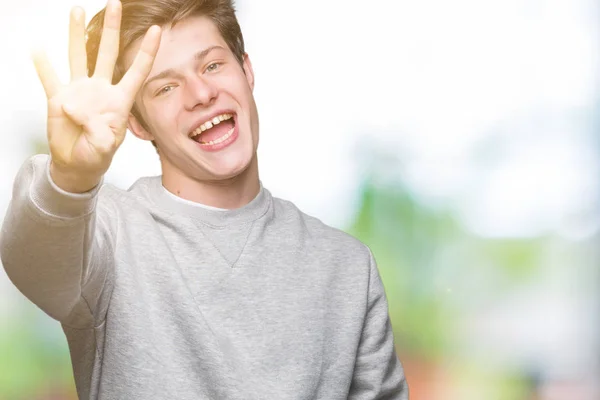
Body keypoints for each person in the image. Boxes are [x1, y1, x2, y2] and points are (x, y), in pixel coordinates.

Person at [0, 0, 409, 398]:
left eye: (212, 65)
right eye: (165, 88)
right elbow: (35, 263)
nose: (200, 93)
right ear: (138, 124)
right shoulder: (106, 234)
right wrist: (72, 175)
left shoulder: (348, 269)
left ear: (246, 71)